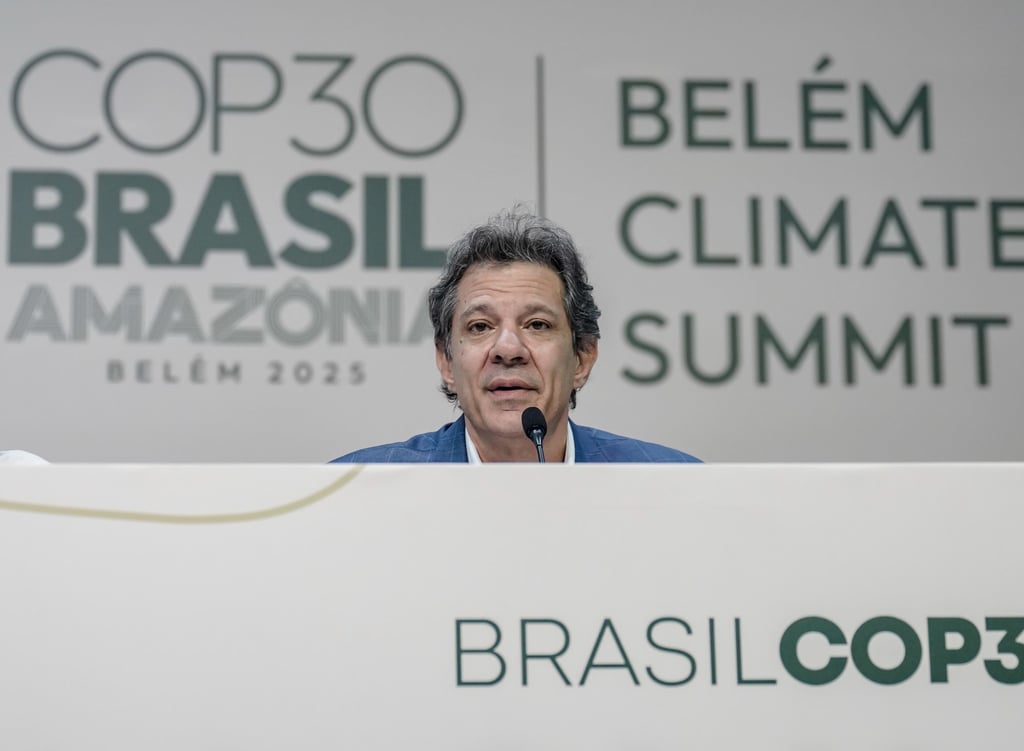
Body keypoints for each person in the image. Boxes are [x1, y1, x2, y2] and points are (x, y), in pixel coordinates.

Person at [331, 209, 700, 464]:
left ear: (583, 357)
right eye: (480, 327)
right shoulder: (359, 495)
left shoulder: (676, 488)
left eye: (537, 324)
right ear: (446, 361)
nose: (508, 349)